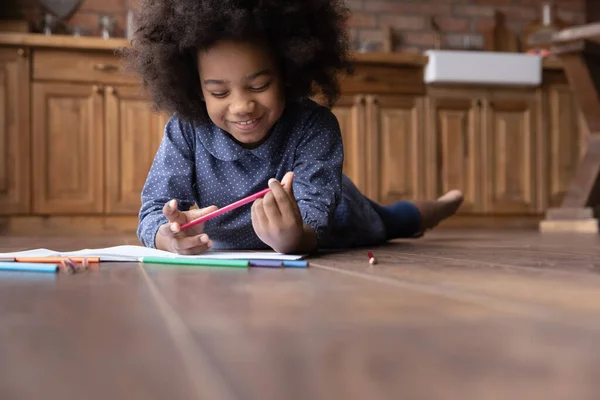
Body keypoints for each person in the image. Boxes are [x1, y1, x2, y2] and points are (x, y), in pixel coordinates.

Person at [123, 0, 463, 255]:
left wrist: (296, 236)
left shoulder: (314, 125)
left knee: (392, 221)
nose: (242, 106)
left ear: (288, 73)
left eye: (258, 86)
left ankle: (440, 207)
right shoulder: (186, 130)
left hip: (340, 215)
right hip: (236, 244)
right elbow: (153, 212)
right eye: (219, 92)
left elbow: (315, 218)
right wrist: (165, 235)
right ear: (195, 89)